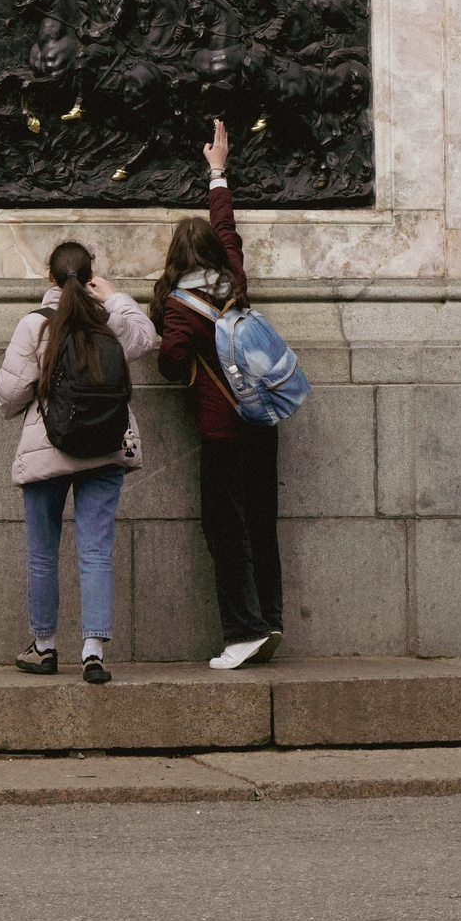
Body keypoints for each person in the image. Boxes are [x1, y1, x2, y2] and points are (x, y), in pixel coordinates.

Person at [0, 239, 157, 683]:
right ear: (90, 277)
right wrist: (116, 295)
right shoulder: (110, 320)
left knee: (43, 553)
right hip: (105, 448)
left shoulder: (35, 326)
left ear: (49, 277)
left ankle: (44, 647)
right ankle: (93, 651)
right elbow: (147, 338)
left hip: (48, 448)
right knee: (96, 551)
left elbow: (9, 397)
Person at [157, 119, 283, 670]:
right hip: (264, 419)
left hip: (222, 428)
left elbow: (170, 365)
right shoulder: (232, 277)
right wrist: (217, 173)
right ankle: (271, 619)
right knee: (261, 522)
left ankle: (243, 630)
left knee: (223, 529)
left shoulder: (181, 308)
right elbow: (227, 228)